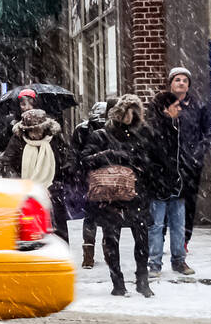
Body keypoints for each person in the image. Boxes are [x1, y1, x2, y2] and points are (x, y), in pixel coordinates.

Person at [83, 94, 154, 298]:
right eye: (127, 111)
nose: (130, 116)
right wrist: (109, 156)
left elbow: (150, 162)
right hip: (110, 197)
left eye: (134, 111)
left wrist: (139, 166)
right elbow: (85, 160)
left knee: (142, 241)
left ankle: (143, 280)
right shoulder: (101, 136)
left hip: (135, 195)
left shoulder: (141, 135)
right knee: (111, 240)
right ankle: (118, 282)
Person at [159, 67, 211, 246]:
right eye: (177, 79)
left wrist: (197, 154)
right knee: (164, 202)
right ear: (171, 83)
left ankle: (184, 241)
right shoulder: (162, 105)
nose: (181, 82)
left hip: (191, 164)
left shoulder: (199, 106)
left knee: (188, 204)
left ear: (188, 85)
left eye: (184, 80)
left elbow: (207, 133)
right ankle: (160, 239)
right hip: (168, 164)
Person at [0, 109, 72, 243]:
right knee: (29, 228)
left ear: (45, 128)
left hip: (53, 190)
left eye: (38, 130)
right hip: (25, 192)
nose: (34, 134)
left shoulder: (55, 140)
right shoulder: (18, 140)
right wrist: (22, 185)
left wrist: (56, 184)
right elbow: (7, 163)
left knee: (58, 227)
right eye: (31, 131)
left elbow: (68, 162)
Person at [146, 89, 194, 278]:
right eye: (175, 106)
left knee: (178, 226)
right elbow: (152, 159)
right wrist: (160, 177)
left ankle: (179, 261)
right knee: (156, 226)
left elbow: (183, 156)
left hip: (178, 184)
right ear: (165, 109)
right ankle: (155, 264)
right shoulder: (152, 130)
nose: (179, 109)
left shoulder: (178, 127)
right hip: (160, 185)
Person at [72, 101, 110, 268]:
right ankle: (108, 253)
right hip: (109, 177)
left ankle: (88, 255)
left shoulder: (82, 129)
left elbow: (76, 154)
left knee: (90, 217)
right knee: (108, 217)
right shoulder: (112, 129)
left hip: (90, 177)